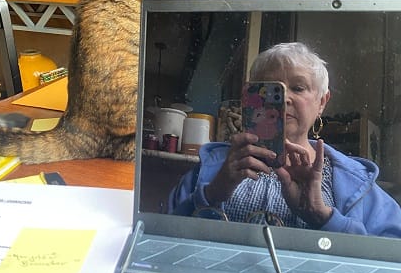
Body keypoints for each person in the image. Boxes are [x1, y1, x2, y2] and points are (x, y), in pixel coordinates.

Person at [169, 42, 401, 237]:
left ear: (322, 102)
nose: (285, 99)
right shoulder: (216, 167)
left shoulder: (353, 180)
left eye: (298, 88)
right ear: (249, 98)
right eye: (271, 89)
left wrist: (322, 216)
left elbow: (391, 255)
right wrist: (212, 194)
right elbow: (163, 235)